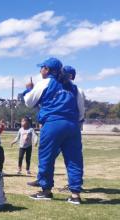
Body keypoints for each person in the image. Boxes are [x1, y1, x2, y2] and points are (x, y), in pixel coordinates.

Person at [24, 57, 84, 205]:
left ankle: (46, 191)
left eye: (42, 68)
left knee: (47, 157)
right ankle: (75, 195)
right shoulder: (75, 87)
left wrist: (29, 88)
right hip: (72, 125)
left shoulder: (44, 83)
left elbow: (29, 102)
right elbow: (81, 112)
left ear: (48, 70)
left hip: (53, 124)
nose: (40, 70)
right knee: (74, 159)